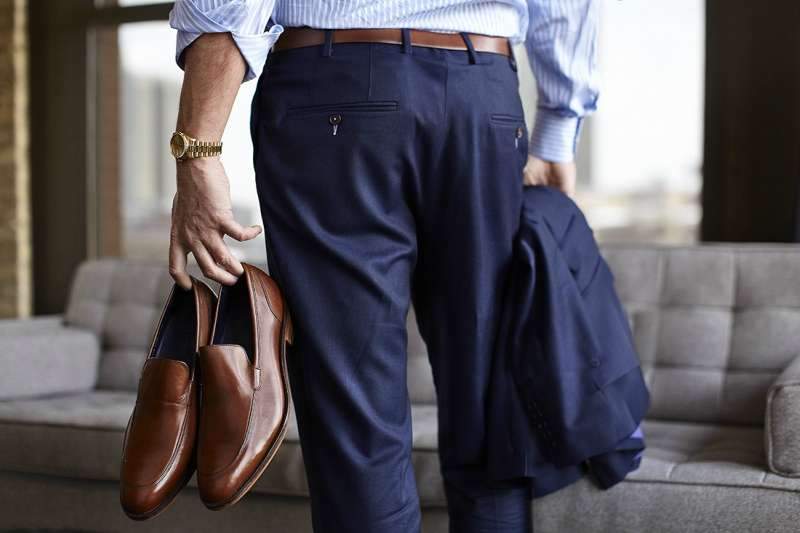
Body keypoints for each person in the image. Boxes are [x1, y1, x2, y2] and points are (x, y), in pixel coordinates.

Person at [166, 1, 599, 531]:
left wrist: (200, 148)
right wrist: (559, 123)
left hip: (331, 89)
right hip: (481, 94)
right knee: (491, 405)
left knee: (356, 417)